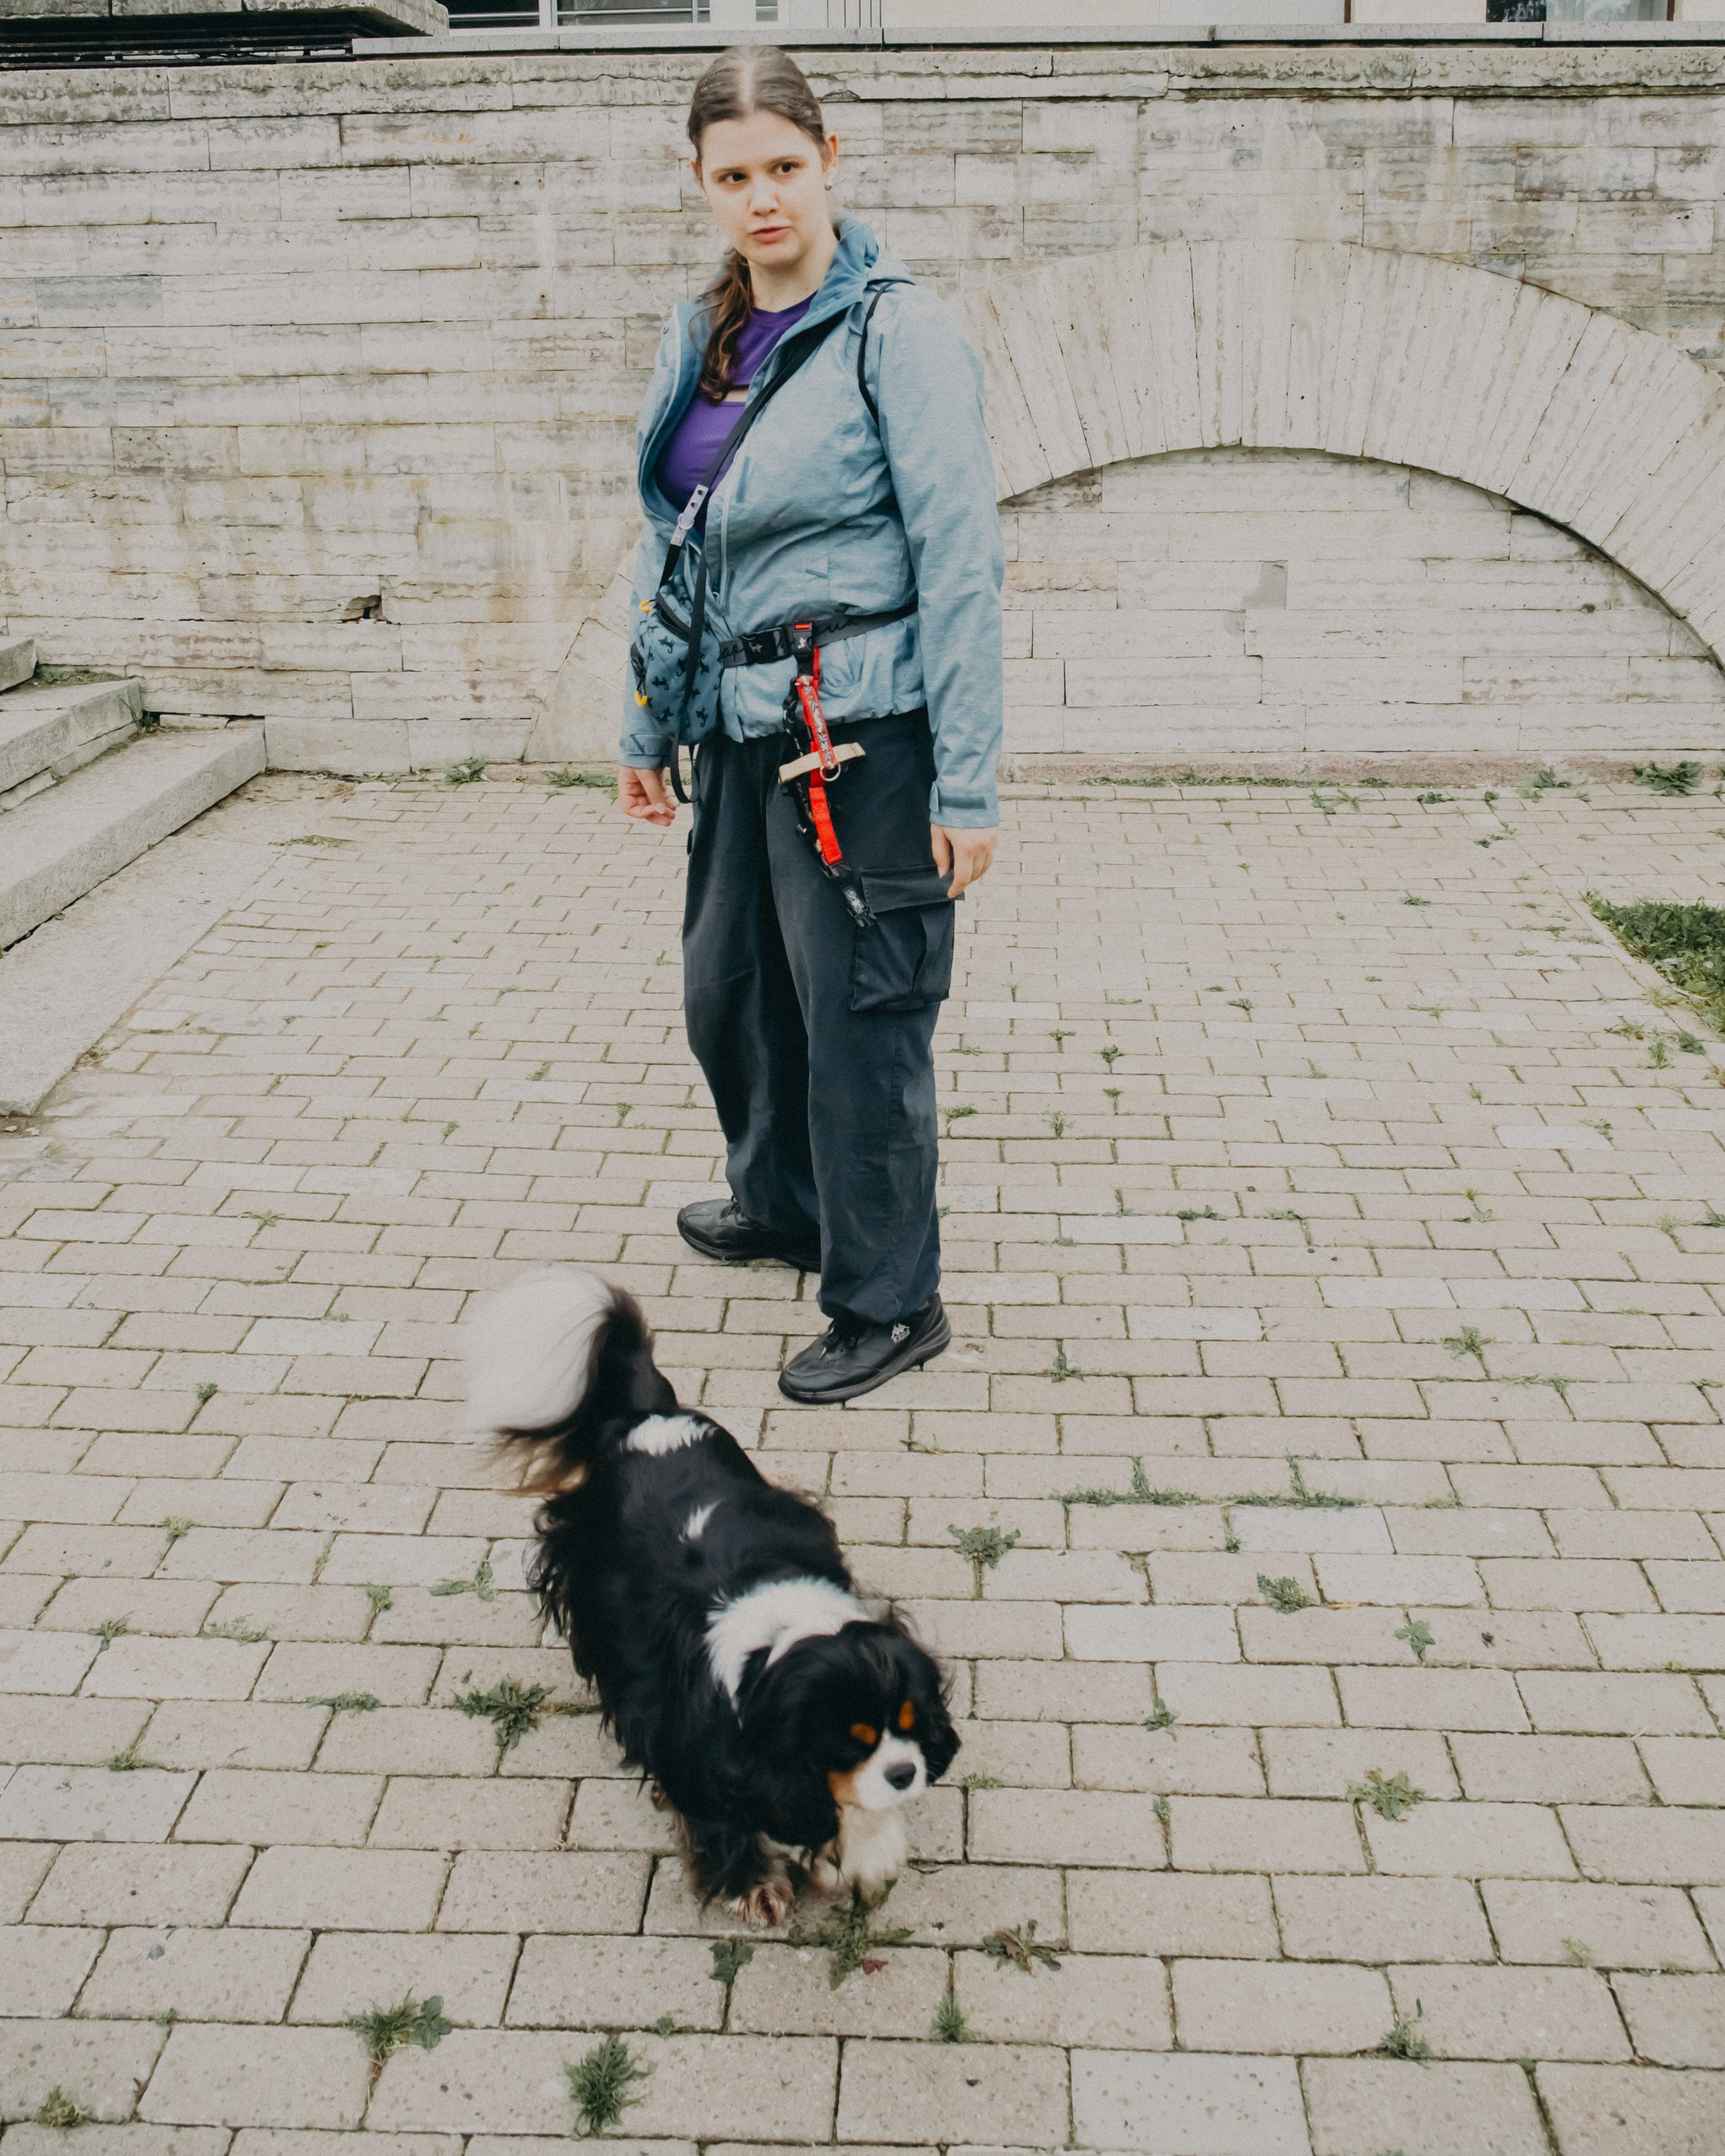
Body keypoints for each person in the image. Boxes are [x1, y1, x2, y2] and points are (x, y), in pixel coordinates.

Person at [617, 44, 1004, 1406]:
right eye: (734, 176)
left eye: (784, 167)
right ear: (701, 184)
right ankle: (778, 1200)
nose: (762, 197)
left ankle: (889, 1297)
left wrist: (966, 784)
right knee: (729, 993)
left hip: (860, 736)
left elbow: (959, 557)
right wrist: (641, 717)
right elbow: (674, 542)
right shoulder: (700, 335)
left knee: (860, 1017)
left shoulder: (898, 331)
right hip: (731, 726)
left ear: (828, 161)